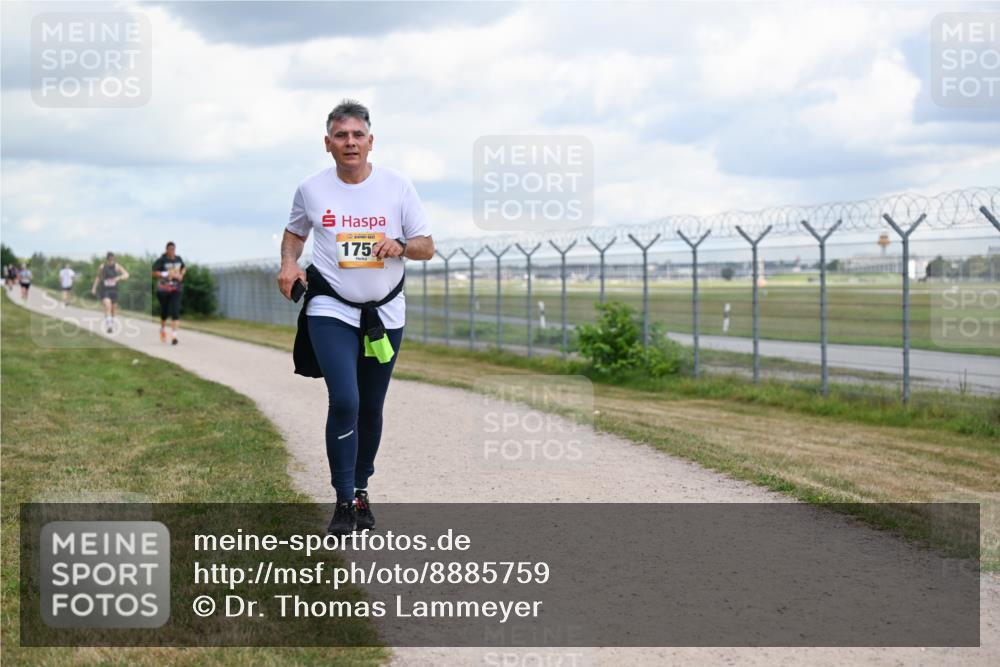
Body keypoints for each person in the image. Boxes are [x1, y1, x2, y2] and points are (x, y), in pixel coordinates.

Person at [278, 99, 434, 536]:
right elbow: (294, 233)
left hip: (384, 313)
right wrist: (289, 263)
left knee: (371, 405)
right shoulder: (312, 188)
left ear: (371, 141)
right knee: (344, 399)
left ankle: (362, 490)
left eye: (358, 135)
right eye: (341, 136)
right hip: (330, 307)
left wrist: (400, 244)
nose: (350, 143)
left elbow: (427, 246)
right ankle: (343, 498)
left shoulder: (398, 187)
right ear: (328, 144)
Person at [152, 242, 185, 345]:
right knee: (165, 312)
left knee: (175, 311)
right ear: (166, 250)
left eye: (173, 249)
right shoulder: (161, 260)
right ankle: (162, 329)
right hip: (164, 289)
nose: (172, 251)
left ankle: (174, 336)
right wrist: (166, 274)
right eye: (170, 249)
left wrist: (181, 274)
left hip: (176, 288)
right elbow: (153, 273)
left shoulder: (178, 259)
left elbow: (184, 267)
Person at [91, 252, 129, 333]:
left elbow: (126, 274)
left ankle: (111, 322)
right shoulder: (102, 267)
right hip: (105, 290)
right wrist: (94, 288)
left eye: (112, 259)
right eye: (109, 259)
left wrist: (119, 278)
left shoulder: (117, 266)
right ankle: (109, 326)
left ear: (114, 259)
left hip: (114, 290)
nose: (111, 261)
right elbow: (98, 277)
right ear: (107, 259)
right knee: (108, 306)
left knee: (113, 309)